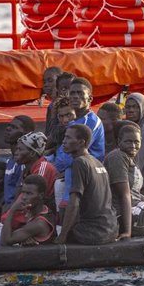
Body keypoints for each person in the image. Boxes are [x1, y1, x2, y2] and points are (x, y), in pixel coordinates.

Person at [56, 124, 119, 245]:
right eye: (64, 137)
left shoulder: (79, 162)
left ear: (81, 142)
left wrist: (63, 236)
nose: (64, 141)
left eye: (68, 138)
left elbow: (74, 202)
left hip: (94, 232)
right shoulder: (97, 162)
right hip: (111, 229)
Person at [54, 77, 106, 211]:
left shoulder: (91, 122)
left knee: (71, 213)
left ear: (90, 98)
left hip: (84, 178)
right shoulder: (74, 122)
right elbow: (63, 151)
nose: (75, 97)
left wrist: (59, 165)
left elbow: (68, 156)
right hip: (71, 174)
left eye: (80, 93)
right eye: (72, 93)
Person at [1, 174, 57, 246]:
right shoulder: (29, 211)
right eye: (23, 192)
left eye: (29, 193)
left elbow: (4, 242)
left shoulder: (39, 223)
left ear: (41, 195)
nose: (24, 197)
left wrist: (12, 210)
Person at [14, 131, 57, 207]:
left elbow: (32, 200)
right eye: (16, 149)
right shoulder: (26, 170)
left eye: (20, 150)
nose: (16, 153)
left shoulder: (43, 167)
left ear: (32, 153)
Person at [3, 115, 35, 207]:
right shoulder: (10, 161)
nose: (8, 129)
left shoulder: (25, 163)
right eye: (9, 125)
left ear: (26, 133)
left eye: (14, 127)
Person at [42, 66, 63, 139]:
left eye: (50, 81)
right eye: (44, 82)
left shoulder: (64, 106)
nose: (46, 85)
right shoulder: (51, 106)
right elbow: (48, 132)